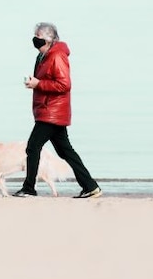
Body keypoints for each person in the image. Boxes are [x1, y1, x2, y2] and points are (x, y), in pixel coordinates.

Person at [13, 22, 101, 198]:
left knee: (33, 147)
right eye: (34, 37)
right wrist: (35, 83)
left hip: (51, 112)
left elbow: (64, 84)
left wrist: (39, 84)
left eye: (38, 38)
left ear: (49, 39)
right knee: (65, 151)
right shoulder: (43, 56)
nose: (35, 41)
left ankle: (29, 188)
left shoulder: (57, 55)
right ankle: (90, 186)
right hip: (48, 111)